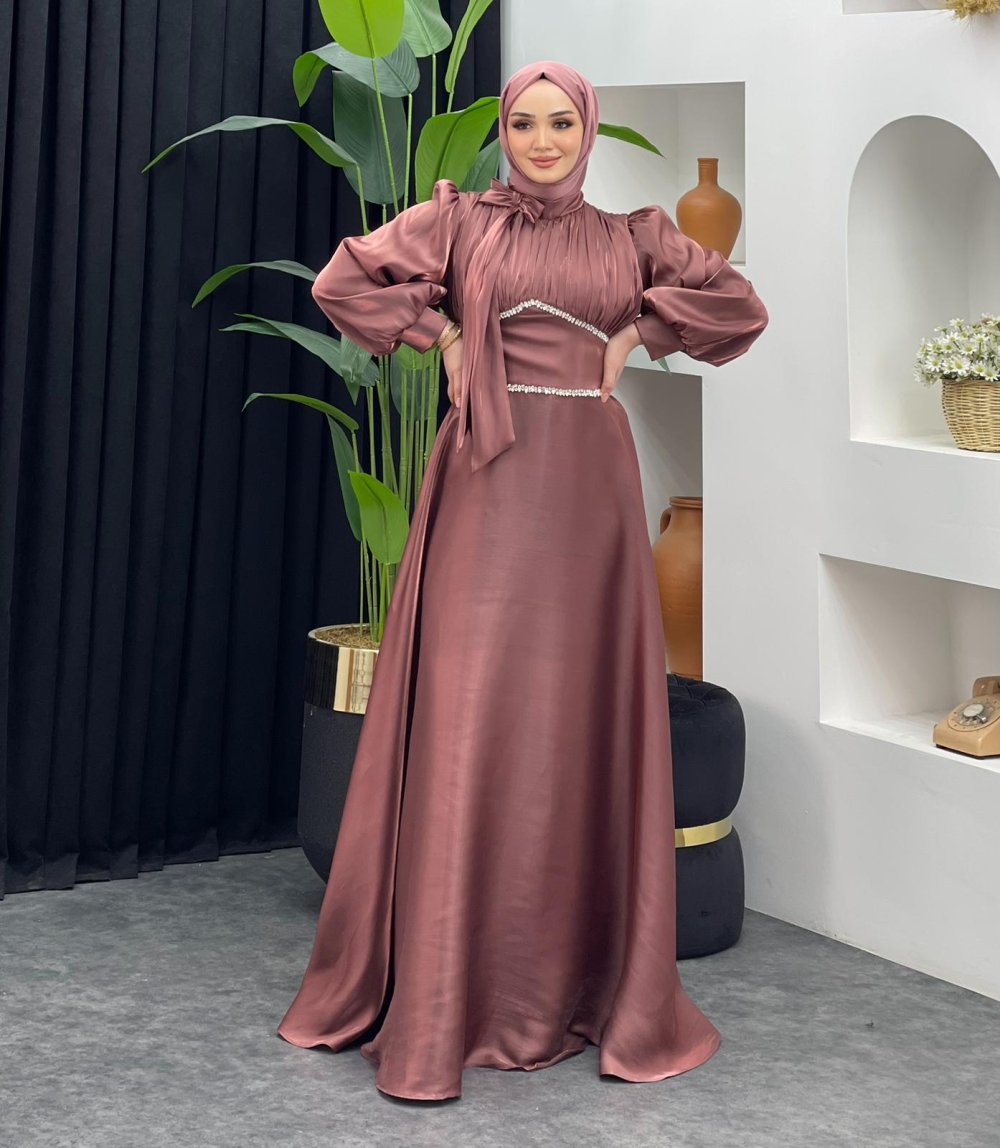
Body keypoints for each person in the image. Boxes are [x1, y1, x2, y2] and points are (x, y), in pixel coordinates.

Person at [277, 59, 769, 1102]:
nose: (542, 142)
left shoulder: (632, 235)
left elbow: (737, 305)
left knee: (574, 712)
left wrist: (637, 332)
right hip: (485, 483)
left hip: (590, 493)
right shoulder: (461, 224)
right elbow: (342, 282)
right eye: (524, 124)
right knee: (469, 708)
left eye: (561, 125)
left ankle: (576, 980)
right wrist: (446, 334)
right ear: (503, 132)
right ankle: (447, 984)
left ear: (586, 131)